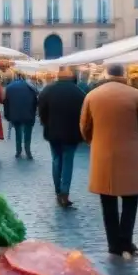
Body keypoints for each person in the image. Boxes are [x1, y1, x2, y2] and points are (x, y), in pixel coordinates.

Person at [81, 63, 138, 258]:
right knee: (131, 201)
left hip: (103, 153)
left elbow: (85, 127)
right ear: (124, 74)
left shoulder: (92, 95)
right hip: (131, 153)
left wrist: (94, 142)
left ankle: (113, 244)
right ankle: (126, 241)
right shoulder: (136, 96)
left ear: (107, 74)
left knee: (107, 201)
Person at [37, 67, 86, 208]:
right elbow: (84, 115)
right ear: (71, 78)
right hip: (71, 133)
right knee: (68, 161)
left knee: (56, 160)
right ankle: (65, 192)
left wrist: (47, 123)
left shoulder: (47, 91)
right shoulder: (79, 93)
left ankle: (58, 190)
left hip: (53, 132)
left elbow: (41, 112)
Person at [4, 74, 39, 159]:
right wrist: (34, 113)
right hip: (28, 114)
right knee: (28, 133)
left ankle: (18, 151)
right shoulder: (31, 87)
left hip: (15, 114)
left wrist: (7, 115)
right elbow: (36, 102)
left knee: (18, 132)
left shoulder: (9, 87)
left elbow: (6, 102)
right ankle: (28, 151)